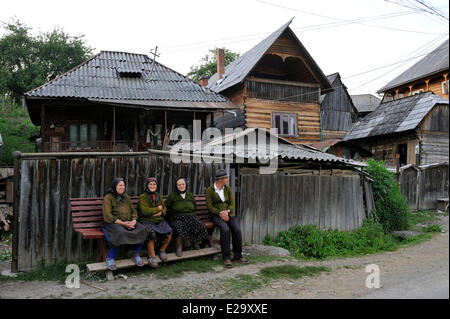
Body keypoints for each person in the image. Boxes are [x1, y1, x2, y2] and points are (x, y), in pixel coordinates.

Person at [102, 178, 148, 271]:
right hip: (113, 224)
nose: (122, 187)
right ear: (115, 186)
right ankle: (110, 257)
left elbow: (133, 211)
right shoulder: (108, 198)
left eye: (123, 185)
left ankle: (135, 254)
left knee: (143, 229)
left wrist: (134, 221)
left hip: (128, 222)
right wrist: (123, 223)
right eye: (120, 185)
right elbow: (108, 216)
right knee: (120, 233)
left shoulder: (125, 196)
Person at [205, 169, 248, 268]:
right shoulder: (210, 190)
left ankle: (237, 256)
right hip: (216, 215)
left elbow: (232, 204)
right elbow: (210, 206)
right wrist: (220, 213)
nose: (227, 179)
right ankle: (226, 258)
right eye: (226, 178)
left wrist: (227, 212)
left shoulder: (227, 189)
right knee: (225, 229)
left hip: (229, 214)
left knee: (237, 230)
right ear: (220, 179)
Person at [165, 177, 208, 257]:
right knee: (179, 226)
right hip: (177, 217)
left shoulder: (190, 195)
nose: (181, 186)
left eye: (183, 184)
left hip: (190, 216)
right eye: (179, 185)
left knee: (198, 224)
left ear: (186, 185)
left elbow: (194, 207)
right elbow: (166, 207)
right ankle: (179, 246)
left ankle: (195, 242)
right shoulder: (172, 196)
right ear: (176, 186)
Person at [137, 177, 172, 269]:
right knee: (150, 233)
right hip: (146, 220)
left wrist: (160, 212)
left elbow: (164, 208)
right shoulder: (142, 197)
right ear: (147, 185)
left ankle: (162, 250)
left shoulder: (158, 196)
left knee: (169, 232)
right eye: (150, 184)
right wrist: (157, 209)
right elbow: (145, 211)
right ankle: (152, 256)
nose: (152, 186)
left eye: (154, 184)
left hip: (158, 220)